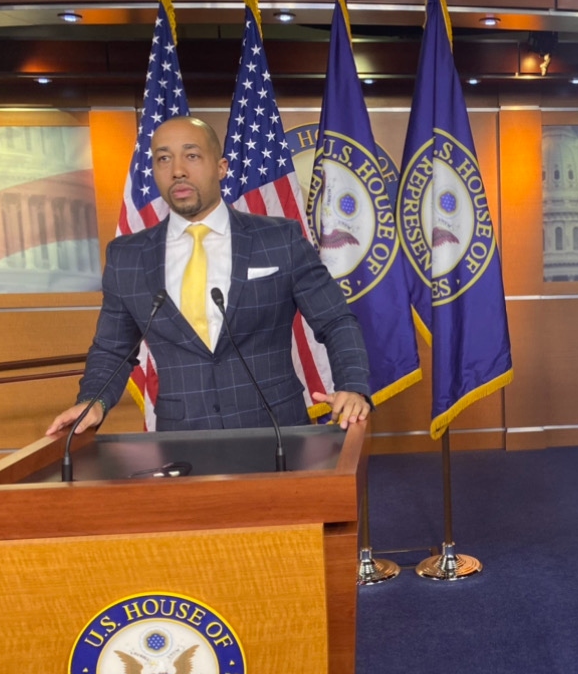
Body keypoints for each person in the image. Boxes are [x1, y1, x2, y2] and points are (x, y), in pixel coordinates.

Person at [47, 116, 372, 436]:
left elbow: (336, 321)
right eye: (163, 158)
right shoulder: (127, 256)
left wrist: (353, 387)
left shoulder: (279, 239)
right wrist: (92, 400)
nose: (177, 170)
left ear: (221, 167)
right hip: (183, 437)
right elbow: (113, 348)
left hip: (276, 431)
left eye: (191, 155)